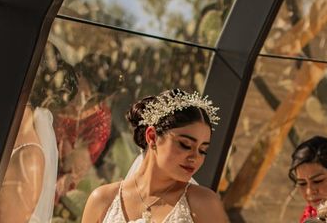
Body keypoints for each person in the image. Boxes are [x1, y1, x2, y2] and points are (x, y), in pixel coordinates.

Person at [82, 88, 229, 223]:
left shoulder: (204, 204)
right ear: (152, 137)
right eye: (185, 145)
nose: (195, 158)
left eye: (202, 150)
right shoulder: (101, 201)